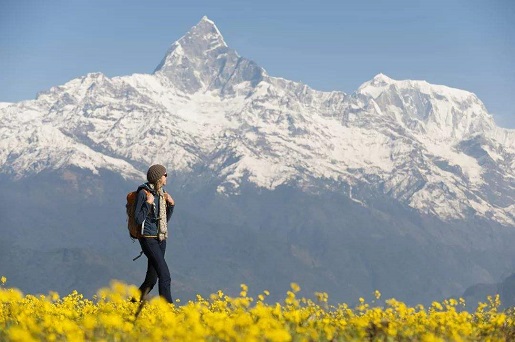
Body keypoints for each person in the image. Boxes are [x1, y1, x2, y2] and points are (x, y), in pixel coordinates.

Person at [134, 164, 175, 303]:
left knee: (151, 280)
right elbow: (138, 218)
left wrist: (171, 205)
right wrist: (148, 203)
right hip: (148, 239)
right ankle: (168, 312)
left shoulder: (161, 193)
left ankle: (131, 306)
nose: (166, 177)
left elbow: (163, 221)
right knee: (165, 275)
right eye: (165, 174)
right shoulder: (144, 193)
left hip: (161, 238)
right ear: (159, 177)